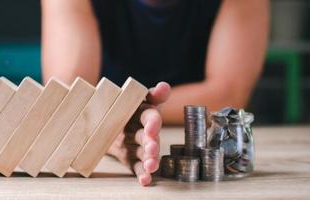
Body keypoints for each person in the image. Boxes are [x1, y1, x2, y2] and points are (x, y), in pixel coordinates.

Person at [40, 0, 269, 186]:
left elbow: (227, 94)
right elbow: (68, 96)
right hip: (104, 148)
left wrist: (124, 114)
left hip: (123, 133)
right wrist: (116, 128)